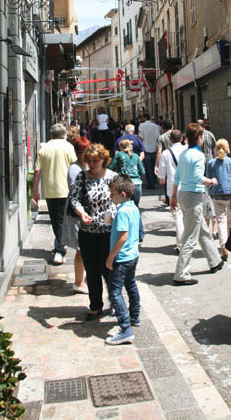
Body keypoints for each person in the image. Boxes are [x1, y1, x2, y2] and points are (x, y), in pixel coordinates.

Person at [170, 123, 223, 285]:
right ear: (199, 138)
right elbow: (198, 176)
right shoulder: (198, 156)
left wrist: (173, 195)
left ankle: (215, 261)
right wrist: (211, 181)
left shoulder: (184, 154)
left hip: (183, 195)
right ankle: (181, 273)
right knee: (190, 236)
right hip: (193, 195)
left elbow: (177, 176)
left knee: (202, 230)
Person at [69, 143, 117, 321]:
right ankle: (95, 306)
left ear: (103, 159)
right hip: (87, 231)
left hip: (107, 232)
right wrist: (82, 213)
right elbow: (75, 199)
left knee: (109, 269)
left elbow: (116, 202)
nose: (91, 164)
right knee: (92, 270)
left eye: (94, 161)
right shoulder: (82, 177)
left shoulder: (112, 177)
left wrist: (105, 221)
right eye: (88, 161)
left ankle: (115, 301)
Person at [32, 123, 77, 265]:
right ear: (64, 134)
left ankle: (59, 247)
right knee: (63, 220)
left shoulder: (44, 148)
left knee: (56, 220)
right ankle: (60, 248)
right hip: (66, 189)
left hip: (50, 190)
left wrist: (35, 191)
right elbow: (75, 167)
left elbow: (37, 171)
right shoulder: (68, 147)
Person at [105, 175, 141, 345]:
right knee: (131, 284)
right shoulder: (133, 208)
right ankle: (135, 316)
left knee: (115, 291)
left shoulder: (122, 212)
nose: (111, 197)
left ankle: (125, 328)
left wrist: (110, 257)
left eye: (112, 194)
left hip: (122, 257)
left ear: (122, 194)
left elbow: (123, 236)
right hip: (133, 255)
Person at [206, 139, 231, 262]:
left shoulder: (211, 163)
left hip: (217, 195)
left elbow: (207, 179)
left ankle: (224, 247)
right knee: (230, 221)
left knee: (221, 221)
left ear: (216, 149)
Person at [63, 135, 90, 293]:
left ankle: (83, 278)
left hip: (84, 212)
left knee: (85, 248)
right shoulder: (75, 169)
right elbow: (76, 194)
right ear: (79, 152)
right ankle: (78, 282)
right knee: (81, 248)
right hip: (77, 213)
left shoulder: (83, 166)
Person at [109, 139, 145, 241]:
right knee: (136, 207)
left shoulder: (119, 155)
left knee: (122, 208)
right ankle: (140, 233)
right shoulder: (136, 156)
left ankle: (124, 231)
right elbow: (142, 170)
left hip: (125, 183)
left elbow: (111, 167)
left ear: (121, 146)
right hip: (137, 184)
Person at [157, 129, 187, 252]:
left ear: (170, 140)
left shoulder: (166, 153)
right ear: (181, 139)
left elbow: (161, 176)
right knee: (188, 216)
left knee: (178, 216)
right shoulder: (187, 150)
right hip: (188, 187)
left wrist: (161, 179)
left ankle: (181, 244)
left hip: (173, 190)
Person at [138, 113, 160, 190]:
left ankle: (150, 183)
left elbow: (141, 137)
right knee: (154, 165)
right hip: (154, 148)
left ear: (144, 118)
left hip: (145, 148)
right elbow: (158, 137)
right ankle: (153, 180)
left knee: (148, 167)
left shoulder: (141, 126)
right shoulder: (155, 126)